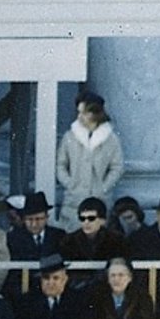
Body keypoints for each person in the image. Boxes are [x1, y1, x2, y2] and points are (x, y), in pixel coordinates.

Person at [54, 93, 124, 228]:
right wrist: (70, 184)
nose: (80, 116)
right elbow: (61, 165)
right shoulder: (70, 137)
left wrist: (104, 187)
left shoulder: (111, 139)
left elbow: (117, 167)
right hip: (74, 200)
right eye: (78, 112)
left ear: (95, 113)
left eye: (84, 113)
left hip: (99, 199)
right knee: (72, 237)